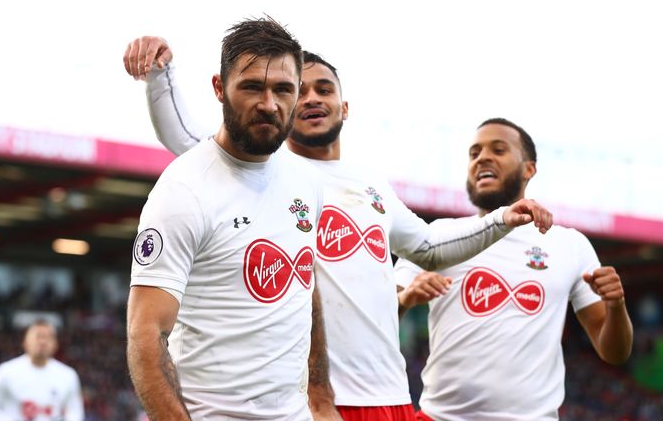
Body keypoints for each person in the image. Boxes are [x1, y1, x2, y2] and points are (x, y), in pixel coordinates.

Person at [123, 37, 553, 420]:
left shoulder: (370, 185)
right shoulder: (263, 170)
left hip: (389, 392)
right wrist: (161, 76)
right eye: (301, 89)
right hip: (312, 402)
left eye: (323, 90)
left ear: (344, 107)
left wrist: (501, 219)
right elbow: (190, 137)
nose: (311, 98)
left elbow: (426, 246)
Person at [126, 17, 337, 421]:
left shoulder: (306, 183)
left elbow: (304, 284)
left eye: (283, 89)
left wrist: (321, 396)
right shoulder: (184, 190)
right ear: (220, 89)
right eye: (252, 86)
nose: (269, 104)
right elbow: (145, 334)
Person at [394, 118, 634, 421]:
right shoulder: (437, 235)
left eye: (498, 149)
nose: (483, 157)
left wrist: (615, 306)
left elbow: (614, 352)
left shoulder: (570, 245)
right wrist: (404, 299)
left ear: (528, 169)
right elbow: (377, 318)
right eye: (474, 152)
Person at [0, 319, 84, 421]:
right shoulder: (7, 371)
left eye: (48, 337)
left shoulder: (68, 375)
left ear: (56, 345)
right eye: (38, 336)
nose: (42, 342)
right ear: (25, 342)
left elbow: (75, 411)